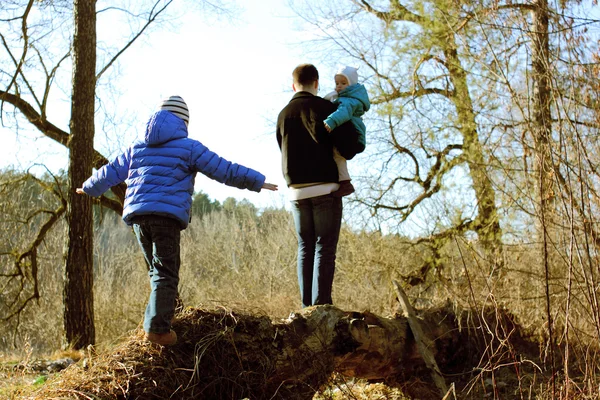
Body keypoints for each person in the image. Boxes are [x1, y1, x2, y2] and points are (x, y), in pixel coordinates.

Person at [76, 95, 278, 346]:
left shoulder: (137, 147)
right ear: (183, 122)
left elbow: (111, 170)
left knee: (156, 272)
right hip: (166, 217)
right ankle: (157, 330)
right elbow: (224, 170)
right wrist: (257, 181)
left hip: (139, 217)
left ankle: (155, 324)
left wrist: (89, 187)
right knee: (165, 273)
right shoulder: (188, 147)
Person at [276, 63, 355, 308]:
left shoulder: (283, 114)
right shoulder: (326, 108)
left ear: (293, 85)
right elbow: (348, 147)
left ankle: (305, 309)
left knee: (305, 249)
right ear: (317, 83)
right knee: (324, 248)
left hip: (296, 192)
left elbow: (283, 146)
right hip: (325, 189)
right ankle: (322, 308)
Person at [322, 66, 370, 197]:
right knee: (337, 156)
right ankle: (343, 181)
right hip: (353, 132)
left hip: (354, 134)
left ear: (352, 84)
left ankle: (345, 183)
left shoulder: (349, 101)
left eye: (343, 83)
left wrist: (331, 121)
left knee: (338, 155)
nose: (339, 86)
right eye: (337, 83)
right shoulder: (346, 97)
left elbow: (344, 112)